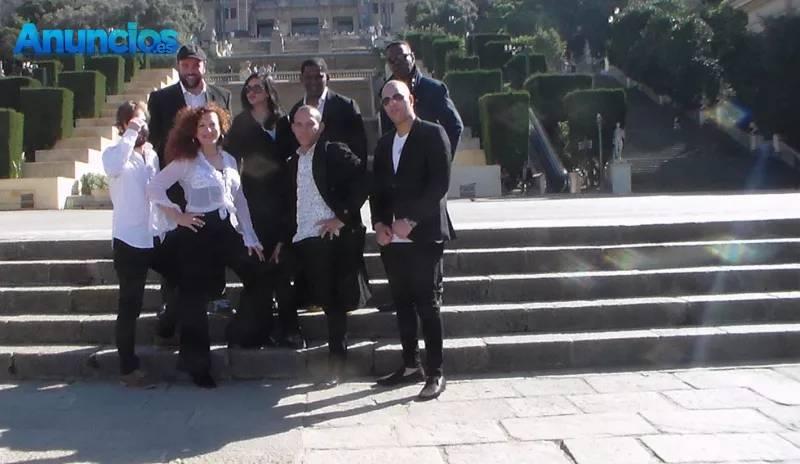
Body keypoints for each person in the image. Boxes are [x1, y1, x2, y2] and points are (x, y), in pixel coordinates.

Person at [147, 104, 268, 389]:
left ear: (221, 127)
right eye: (202, 126)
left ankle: (241, 333)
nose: (208, 130)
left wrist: (250, 237)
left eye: (212, 124)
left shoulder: (229, 159)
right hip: (198, 231)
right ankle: (197, 366)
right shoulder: (187, 161)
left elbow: (240, 200)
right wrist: (178, 216)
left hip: (227, 230)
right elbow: (154, 187)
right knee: (194, 298)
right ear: (194, 131)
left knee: (259, 273)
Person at [371, 80, 455, 401]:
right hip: (393, 240)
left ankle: (435, 372)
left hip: (424, 234)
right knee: (402, 304)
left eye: (398, 97)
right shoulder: (384, 143)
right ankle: (410, 365)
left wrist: (412, 220)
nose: (392, 103)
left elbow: (439, 184)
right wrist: (379, 223)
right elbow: (377, 189)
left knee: (428, 305)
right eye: (386, 100)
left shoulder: (433, 133)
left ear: (412, 99)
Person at [284, 105, 370, 388]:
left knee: (333, 303)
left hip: (328, 238)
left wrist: (342, 217)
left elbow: (364, 179)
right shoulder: (293, 161)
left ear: (320, 127)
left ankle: (337, 364)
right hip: (302, 239)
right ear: (292, 127)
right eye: (298, 124)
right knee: (316, 296)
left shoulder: (333, 151)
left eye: (310, 124)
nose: (304, 129)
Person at [148, 44, 233, 320]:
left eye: (195, 65)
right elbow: (157, 141)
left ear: (204, 66)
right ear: (178, 67)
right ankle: (171, 300)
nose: (190, 70)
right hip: (178, 182)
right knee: (177, 243)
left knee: (216, 237)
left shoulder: (222, 96)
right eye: (185, 65)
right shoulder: (161, 99)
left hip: (211, 183)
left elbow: (226, 137)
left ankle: (217, 295)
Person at [224, 74, 305, 349]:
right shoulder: (241, 123)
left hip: (284, 198)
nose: (251, 92)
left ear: (269, 92)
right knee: (261, 269)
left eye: (257, 88)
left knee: (282, 269)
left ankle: (291, 330)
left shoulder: (283, 122)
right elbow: (229, 158)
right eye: (248, 89)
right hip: (254, 201)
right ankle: (262, 328)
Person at [102, 100, 178, 388]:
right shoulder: (114, 154)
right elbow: (114, 167)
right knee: (130, 305)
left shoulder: (151, 155)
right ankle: (127, 368)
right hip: (129, 240)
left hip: (155, 236)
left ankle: (166, 328)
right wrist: (130, 133)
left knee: (183, 277)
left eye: (143, 121)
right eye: (135, 121)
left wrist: (172, 221)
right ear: (123, 125)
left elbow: (155, 193)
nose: (141, 126)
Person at [380, 41, 463, 157]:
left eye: (401, 57)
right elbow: (387, 134)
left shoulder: (434, 89)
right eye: (391, 60)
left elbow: (454, 126)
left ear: (412, 57)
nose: (396, 63)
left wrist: (443, 159)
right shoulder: (386, 94)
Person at [288, 58, 367, 163]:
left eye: (319, 77)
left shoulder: (346, 107)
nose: (313, 82)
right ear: (301, 79)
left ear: (327, 77)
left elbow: (360, 150)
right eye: (308, 77)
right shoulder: (295, 112)